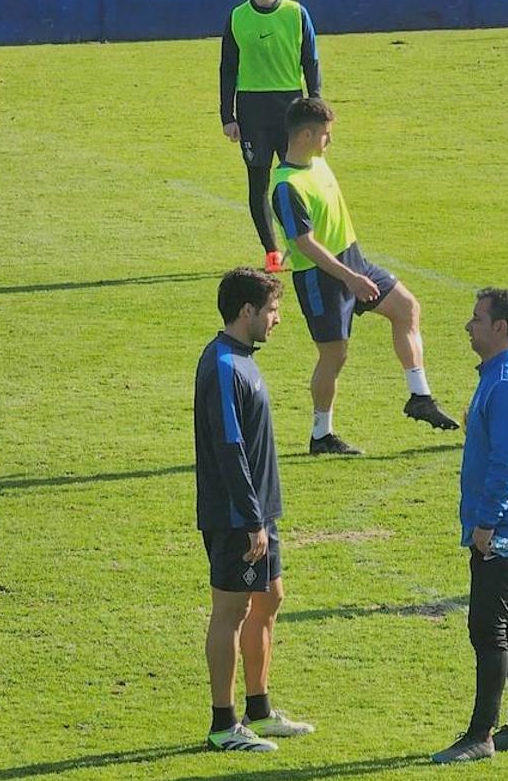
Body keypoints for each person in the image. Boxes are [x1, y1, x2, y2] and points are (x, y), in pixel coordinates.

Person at [270, 96, 459, 455]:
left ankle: (420, 396)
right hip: (321, 279)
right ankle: (321, 435)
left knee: (407, 308)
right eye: (325, 134)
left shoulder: (317, 163)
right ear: (306, 135)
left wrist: (355, 273)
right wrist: (349, 279)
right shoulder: (286, 186)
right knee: (334, 356)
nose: (330, 141)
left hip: (354, 262)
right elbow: (305, 244)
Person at [194, 267, 314, 751]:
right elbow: (229, 445)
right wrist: (249, 520)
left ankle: (259, 711)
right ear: (247, 311)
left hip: (260, 514)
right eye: (272, 310)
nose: (277, 320)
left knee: (270, 599)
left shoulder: (241, 358)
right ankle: (224, 725)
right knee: (232, 611)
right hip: (236, 518)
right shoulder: (222, 364)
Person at [432, 288, 508, 764]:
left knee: (488, 628)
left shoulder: (505, 384)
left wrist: (486, 525)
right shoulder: (500, 376)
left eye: (477, 319)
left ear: (500, 328)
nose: (469, 325)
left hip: (507, 530)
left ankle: (481, 735)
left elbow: (507, 464)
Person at [219, 0, 321, 273]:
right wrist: (228, 116)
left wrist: (314, 104)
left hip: (290, 107)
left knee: (297, 182)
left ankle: (308, 244)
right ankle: (272, 253)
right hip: (252, 109)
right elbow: (227, 68)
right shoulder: (237, 17)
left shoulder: (295, 13)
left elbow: (311, 61)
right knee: (258, 183)